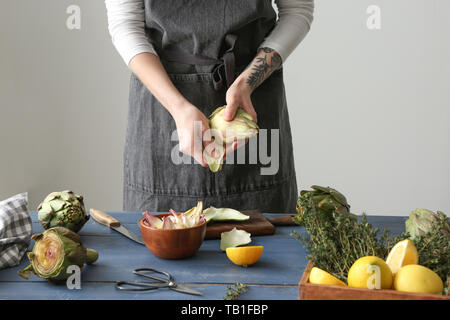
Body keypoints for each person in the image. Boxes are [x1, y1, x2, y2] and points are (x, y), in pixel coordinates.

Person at [105, 0, 314, 213]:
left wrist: (248, 81)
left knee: (268, 237)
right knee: (160, 235)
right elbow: (125, 24)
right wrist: (178, 107)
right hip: (162, 105)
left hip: (252, 97)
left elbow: (297, 10)